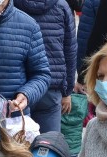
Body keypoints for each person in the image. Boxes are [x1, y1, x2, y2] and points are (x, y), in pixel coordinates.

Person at [13, 0, 77, 133]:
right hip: (51, 87)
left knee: (17, 148)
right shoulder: (61, 6)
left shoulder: (11, 6)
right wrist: (67, 91)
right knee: (48, 148)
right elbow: (70, 51)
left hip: (18, 89)